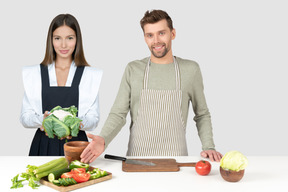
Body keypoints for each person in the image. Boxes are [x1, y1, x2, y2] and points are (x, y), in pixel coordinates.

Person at [81, 10, 222, 163]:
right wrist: (103, 139)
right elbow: (118, 113)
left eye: (161, 33)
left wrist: (209, 146)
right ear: (145, 38)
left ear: (172, 34)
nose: (156, 41)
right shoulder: (133, 69)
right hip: (137, 161)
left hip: (176, 161)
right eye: (150, 35)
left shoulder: (190, 70)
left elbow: (202, 114)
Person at [20, 14, 103, 156]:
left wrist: (73, 123)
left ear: (77, 40)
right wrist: (43, 120)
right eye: (57, 38)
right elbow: (25, 118)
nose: (63, 45)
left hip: (77, 146)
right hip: (43, 145)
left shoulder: (89, 75)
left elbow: (94, 120)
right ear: (51, 40)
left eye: (70, 38)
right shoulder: (34, 74)